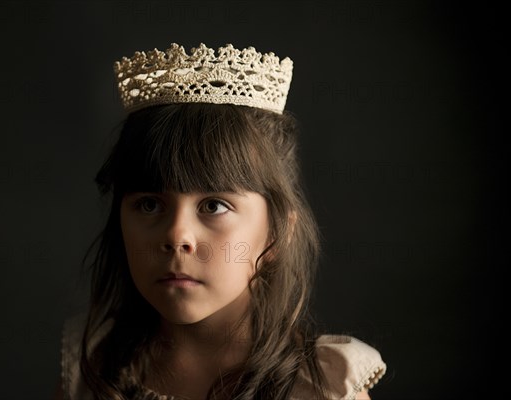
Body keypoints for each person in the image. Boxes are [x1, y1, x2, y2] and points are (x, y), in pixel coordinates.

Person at [52, 43, 386, 400]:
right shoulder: (95, 368)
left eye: (213, 206)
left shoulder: (319, 390)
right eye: (149, 204)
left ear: (277, 234)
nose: (176, 235)